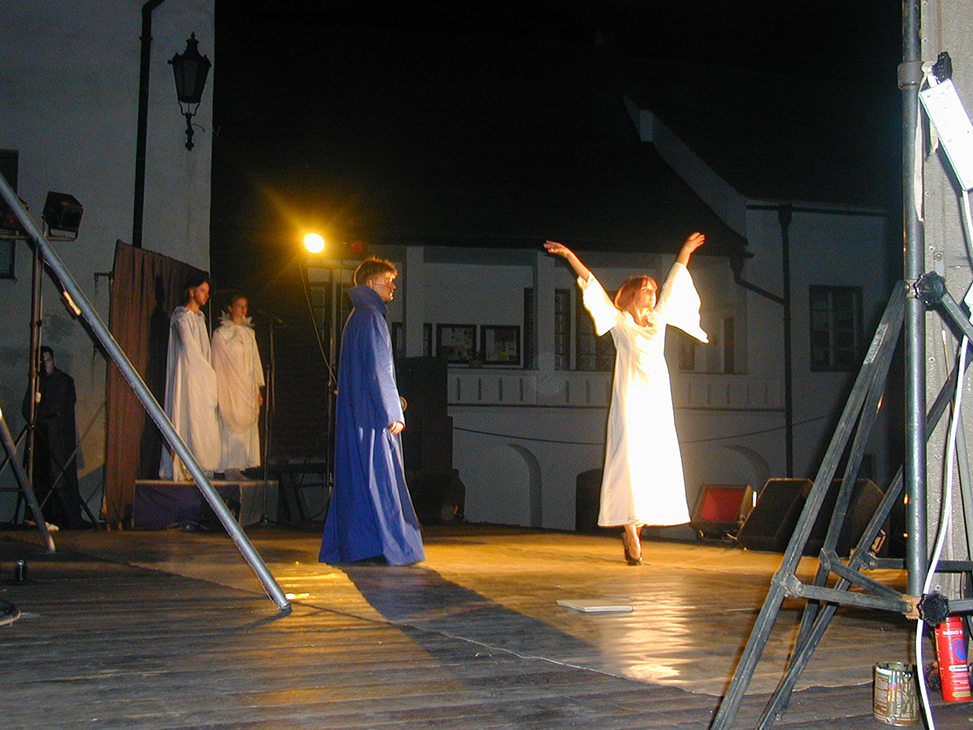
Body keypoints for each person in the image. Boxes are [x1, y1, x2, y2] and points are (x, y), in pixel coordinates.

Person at [544, 232, 708, 565]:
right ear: (633, 294)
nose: (653, 294)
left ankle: (637, 525)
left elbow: (674, 282)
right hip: (632, 396)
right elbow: (593, 287)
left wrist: (686, 250)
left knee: (654, 460)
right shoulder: (620, 322)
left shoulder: (659, 318)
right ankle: (630, 528)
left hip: (657, 397)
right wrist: (570, 256)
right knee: (630, 459)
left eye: (653, 290)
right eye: (647, 290)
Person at [319, 257, 425, 565]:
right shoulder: (372, 316)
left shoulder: (356, 316)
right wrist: (393, 411)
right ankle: (388, 544)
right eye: (387, 280)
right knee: (380, 476)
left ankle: (360, 544)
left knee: (358, 475)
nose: (392, 286)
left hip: (357, 412)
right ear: (370, 283)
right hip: (373, 415)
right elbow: (380, 369)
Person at [159, 275, 221, 481]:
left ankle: (201, 466)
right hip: (188, 376)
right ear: (191, 291)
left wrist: (209, 375)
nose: (206, 295)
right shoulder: (182, 317)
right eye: (202, 290)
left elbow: (205, 350)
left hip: (202, 379)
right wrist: (206, 372)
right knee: (187, 415)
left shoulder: (199, 318)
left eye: (207, 292)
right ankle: (184, 466)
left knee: (202, 419)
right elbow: (189, 349)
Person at [22, 346, 86, 529]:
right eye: (42, 361)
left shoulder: (64, 381)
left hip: (58, 439)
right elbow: (27, 410)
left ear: (53, 361)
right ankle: (40, 516)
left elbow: (58, 408)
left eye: (48, 360)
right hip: (40, 439)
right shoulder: (37, 381)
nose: (46, 364)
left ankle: (62, 517)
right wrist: (35, 404)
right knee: (40, 477)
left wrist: (40, 405)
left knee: (59, 476)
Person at [211, 294, 265, 479]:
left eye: (245, 306)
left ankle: (241, 465)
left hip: (247, 385)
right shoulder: (221, 333)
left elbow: (255, 362)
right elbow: (218, 362)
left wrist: (257, 388)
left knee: (246, 423)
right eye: (238, 305)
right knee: (230, 422)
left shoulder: (250, 334)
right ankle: (229, 467)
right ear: (230, 308)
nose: (242, 309)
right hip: (230, 386)